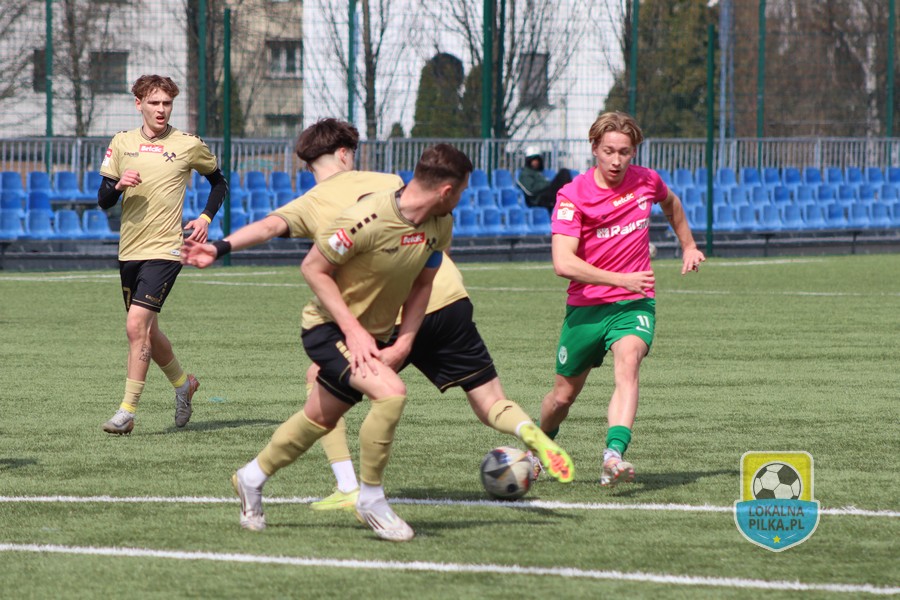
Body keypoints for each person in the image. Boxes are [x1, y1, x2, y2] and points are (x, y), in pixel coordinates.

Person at [181, 118, 573, 514]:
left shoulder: (313, 202)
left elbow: (269, 227)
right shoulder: (392, 183)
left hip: (391, 312)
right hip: (451, 299)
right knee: (489, 400)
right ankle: (528, 432)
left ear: (311, 163)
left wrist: (220, 247)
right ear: (345, 154)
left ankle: (350, 486)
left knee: (323, 380)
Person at [222, 143, 473, 542]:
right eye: (461, 190)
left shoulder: (440, 224)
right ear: (446, 191)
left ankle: (250, 478)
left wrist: (404, 343)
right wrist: (354, 332)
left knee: (318, 418)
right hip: (327, 328)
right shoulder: (366, 218)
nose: (461, 198)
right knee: (390, 394)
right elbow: (313, 268)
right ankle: (370, 498)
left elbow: (423, 285)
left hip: (373, 335)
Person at [538, 112, 705, 487]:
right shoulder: (572, 196)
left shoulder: (647, 181)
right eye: (609, 151)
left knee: (628, 364)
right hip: (586, 309)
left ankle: (613, 455)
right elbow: (563, 263)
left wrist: (689, 245)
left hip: (635, 303)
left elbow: (672, 204)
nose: (616, 160)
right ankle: (539, 447)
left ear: (634, 152)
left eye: (624, 152)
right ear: (594, 148)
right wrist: (620, 278)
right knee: (562, 398)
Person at [98, 74, 228, 435]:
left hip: (167, 249)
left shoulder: (188, 144)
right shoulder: (122, 142)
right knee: (148, 331)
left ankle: (126, 412)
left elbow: (219, 182)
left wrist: (205, 217)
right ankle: (184, 384)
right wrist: (119, 185)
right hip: (130, 249)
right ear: (138, 104)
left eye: (167, 103)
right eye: (154, 102)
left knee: (135, 326)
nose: (161, 109)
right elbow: (103, 199)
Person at [516, 146, 573, 210]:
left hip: (546, 195)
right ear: (528, 161)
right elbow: (530, 190)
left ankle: (571, 197)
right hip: (538, 199)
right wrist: (547, 183)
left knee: (564, 174)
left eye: (537, 160)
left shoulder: (537, 172)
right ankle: (571, 197)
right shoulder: (525, 174)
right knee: (563, 172)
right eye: (533, 160)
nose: (536, 162)